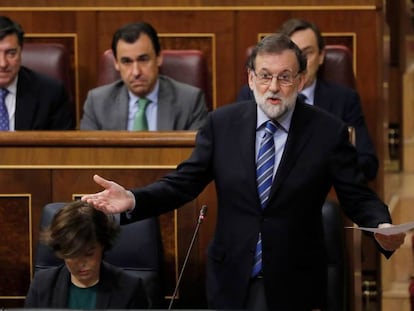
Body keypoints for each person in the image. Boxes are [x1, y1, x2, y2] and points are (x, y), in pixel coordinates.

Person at [82, 33, 405, 310]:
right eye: (265, 76)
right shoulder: (221, 125)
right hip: (231, 278)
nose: (273, 87)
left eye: (285, 76)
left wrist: (382, 226)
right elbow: (183, 183)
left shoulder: (327, 132)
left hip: (294, 282)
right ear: (251, 79)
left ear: (301, 80)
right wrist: (134, 199)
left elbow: (358, 196)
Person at [237, 18, 378, 181]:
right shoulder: (251, 95)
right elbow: (238, 156)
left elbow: (368, 163)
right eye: (294, 54)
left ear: (321, 56)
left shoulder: (345, 99)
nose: (301, 62)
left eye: (306, 53)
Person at [80, 22, 208, 131]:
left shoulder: (190, 101)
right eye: (126, 61)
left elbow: (196, 156)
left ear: (159, 58)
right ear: (116, 64)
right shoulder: (97, 103)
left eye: (143, 59)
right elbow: (87, 157)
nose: (136, 72)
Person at [24, 200, 148, 309]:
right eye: (72, 255)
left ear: (102, 245)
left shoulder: (130, 288)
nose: (81, 263)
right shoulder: (42, 285)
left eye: (89, 254)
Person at [0, 16, 75, 130]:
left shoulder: (50, 93)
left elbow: (63, 146)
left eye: (11, 53)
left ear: (21, 52)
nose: (3, 64)